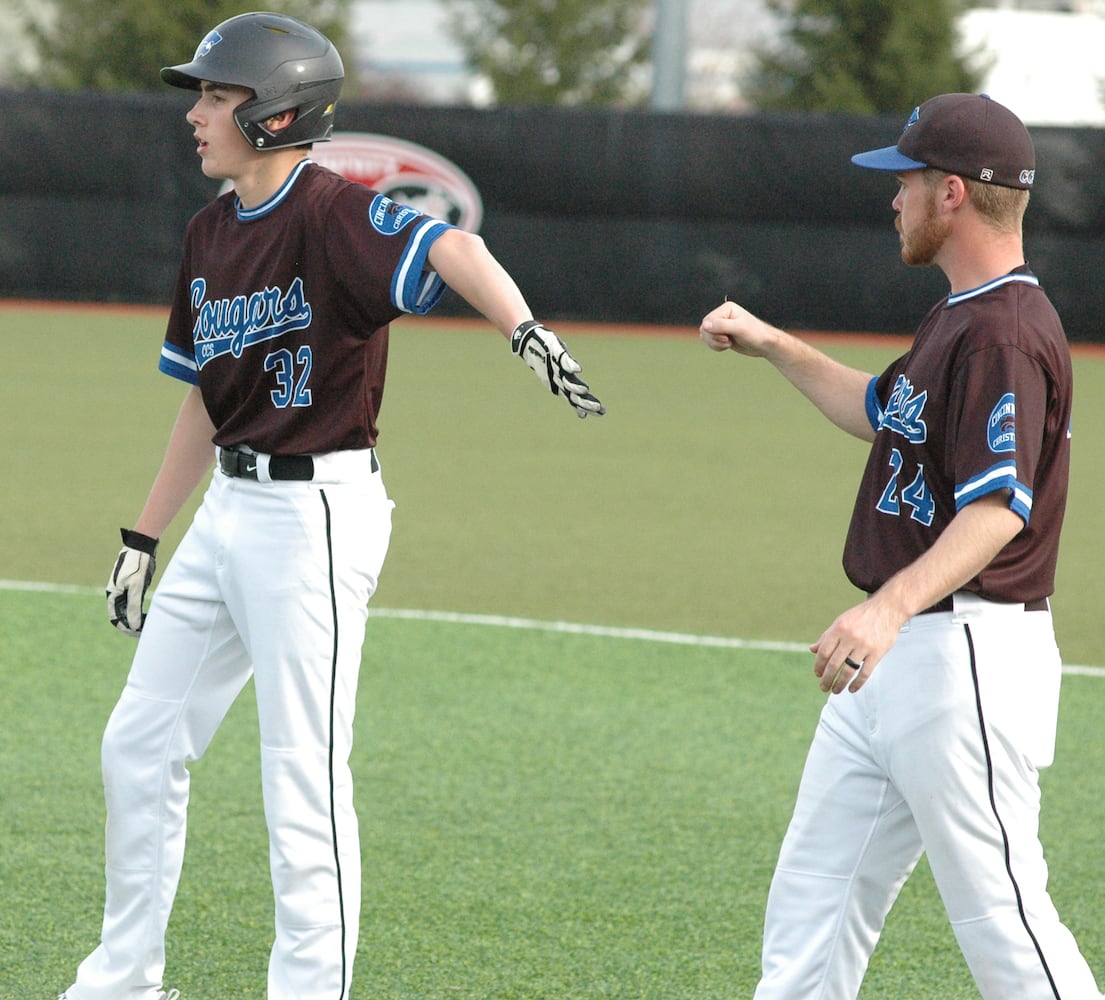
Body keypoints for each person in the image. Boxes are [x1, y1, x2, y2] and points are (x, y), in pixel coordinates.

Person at [61, 12, 603, 1000]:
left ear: (274, 114)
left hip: (313, 517)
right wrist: (146, 534)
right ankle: (123, 979)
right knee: (137, 743)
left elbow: (448, 248)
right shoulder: (209, 231)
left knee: (300, 780)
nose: (196, 112)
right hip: (229, 511)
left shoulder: (333, 215)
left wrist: (526, 331)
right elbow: (204, 395)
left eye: (218, 96)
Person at [700, 93, 1102, 999]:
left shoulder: (1001, 330)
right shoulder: (961, 313)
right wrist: (772, 345)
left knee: (1003, 921)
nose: (893, 199)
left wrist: (885, 610)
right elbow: (879, 414)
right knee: (813, 904)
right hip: (900, 662)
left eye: (907, 181)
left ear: (951, 193)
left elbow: (998, 509)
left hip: (961, 651)